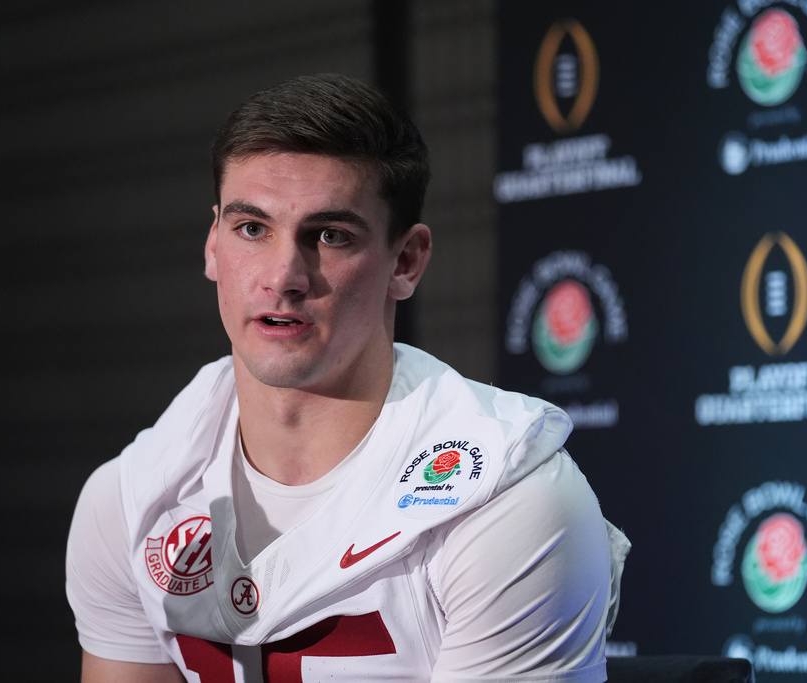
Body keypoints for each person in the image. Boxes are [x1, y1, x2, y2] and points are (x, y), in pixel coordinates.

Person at [66, 73, 629, 682]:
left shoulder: (513, 503)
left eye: (330, 236)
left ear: (406, 261)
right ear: (212, 244)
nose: (283, 276)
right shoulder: (126, 501)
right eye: (252, 228)